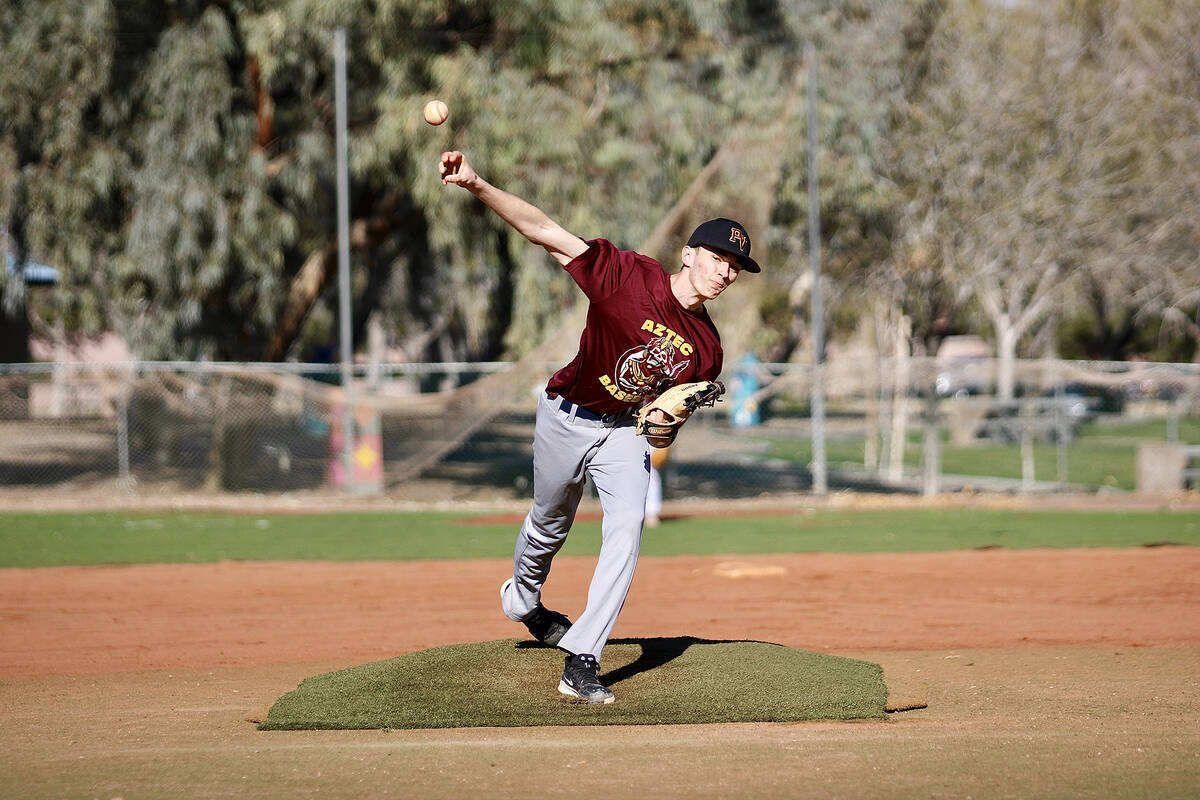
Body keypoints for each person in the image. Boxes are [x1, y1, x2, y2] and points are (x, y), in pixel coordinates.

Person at [439, 150, 761, 704]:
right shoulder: (626, 276)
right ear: (688, 255)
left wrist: (664, 425)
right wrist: (475, 183)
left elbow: (660, 428)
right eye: (717, 257)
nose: (725, 271)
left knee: (625, 533)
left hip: (623, 436)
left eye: (735, 266)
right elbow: (543, 230)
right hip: (566, 414)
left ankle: (583, 657)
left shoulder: (708, 353)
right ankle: (523, 600)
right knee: (549, 523)